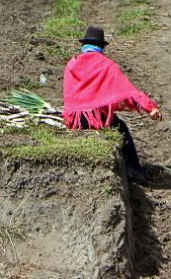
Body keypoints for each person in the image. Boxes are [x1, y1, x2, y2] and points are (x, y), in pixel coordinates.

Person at [62, 26, 161, 183]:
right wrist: (149, 107)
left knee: (115, 123)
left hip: (73, 119)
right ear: (102, 47)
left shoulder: (71, 65)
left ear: (84, 45)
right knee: (121, 128)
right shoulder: (106, 65)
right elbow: (127, 91)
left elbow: (70, 95)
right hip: (94, 119)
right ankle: (135, 169)